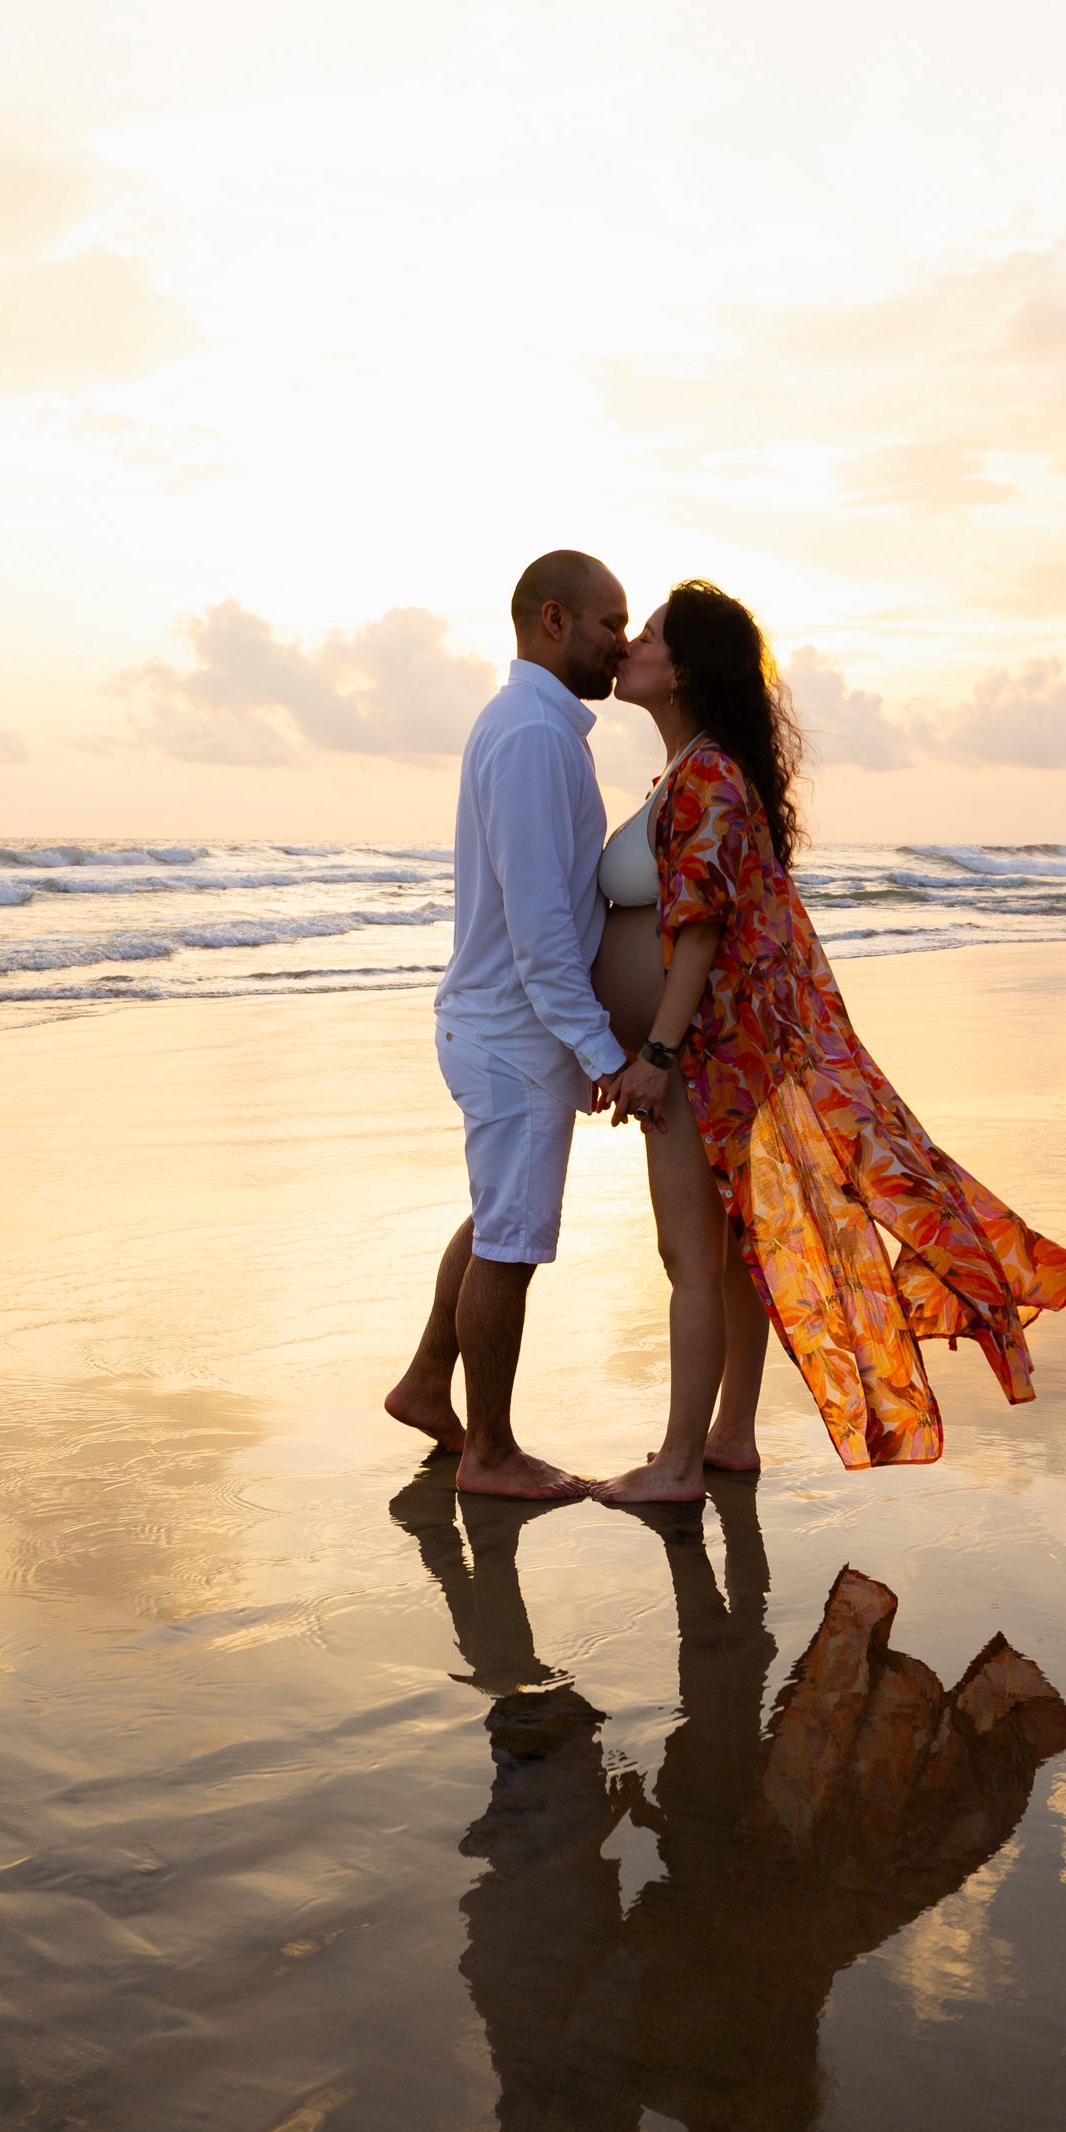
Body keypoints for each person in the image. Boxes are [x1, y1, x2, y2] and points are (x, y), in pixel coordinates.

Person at [591, 580, 1066, 1504]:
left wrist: (653, 1058)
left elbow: (699, 929)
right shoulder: (700, 768)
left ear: (685, 668)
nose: (629, 646)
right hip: (722, 1052)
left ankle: (674, 1466)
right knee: (737, 1252)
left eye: (650, 635)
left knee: (690, 1259)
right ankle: (730, 1437)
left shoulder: (705, 775)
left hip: (705, 1059)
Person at [385, 550, 631, 1499]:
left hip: (504, 1030)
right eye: (611, 624)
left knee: (499, 1220)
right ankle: (489, 1451)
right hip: (513, 1034)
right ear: (554, 620)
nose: (624, 642)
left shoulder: (542, 726)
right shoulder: (531, 732)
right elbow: (538, 927)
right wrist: (602, 1051)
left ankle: (423, 1386)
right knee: (512, 1244)